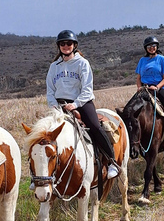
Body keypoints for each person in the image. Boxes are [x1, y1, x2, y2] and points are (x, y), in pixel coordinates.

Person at [46, 30, 119, 179]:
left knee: (95, 126)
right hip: (59, 105)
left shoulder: (82, 63)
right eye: (62, 44)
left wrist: (75, 104)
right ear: (59, 46)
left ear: (74, 45)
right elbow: (50, 90)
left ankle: (112, 162)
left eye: (69, 43)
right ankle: (46, 173)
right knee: (45, 135)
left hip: (81, 102)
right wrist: (54, 105)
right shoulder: (54, 66)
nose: (66, 46)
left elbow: (87, 88)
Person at [135, 36, 164, 144]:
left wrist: (157, 87)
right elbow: (138, 78)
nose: (151, 48)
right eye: (149, 46)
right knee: (132, 108)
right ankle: (135, 138)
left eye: (153, 46)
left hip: (160, 87)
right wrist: (139, 87)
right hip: (145, 88)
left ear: (157, 47)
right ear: (145, 48)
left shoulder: (162, 59)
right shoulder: (142, 60)